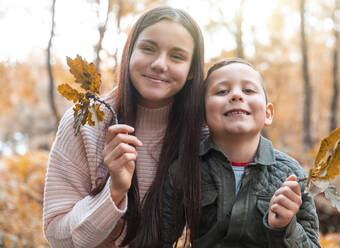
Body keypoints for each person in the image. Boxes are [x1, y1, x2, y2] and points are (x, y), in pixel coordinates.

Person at [43, 6, 205, 248]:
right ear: (129, 52)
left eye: (177, 56)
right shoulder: (87, 124)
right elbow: (57, 236)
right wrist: (115, 189)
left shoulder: (204, 133)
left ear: (191, 71)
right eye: (148, 49)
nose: (160, 64)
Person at [161, 58, 321, 247]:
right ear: (203, 114)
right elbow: (160, 239)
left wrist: (286, 227)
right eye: (222, 91)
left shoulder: (290, 175)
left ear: (268, 114)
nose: (236, 95)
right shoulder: (184, 170)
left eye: (248, 90)